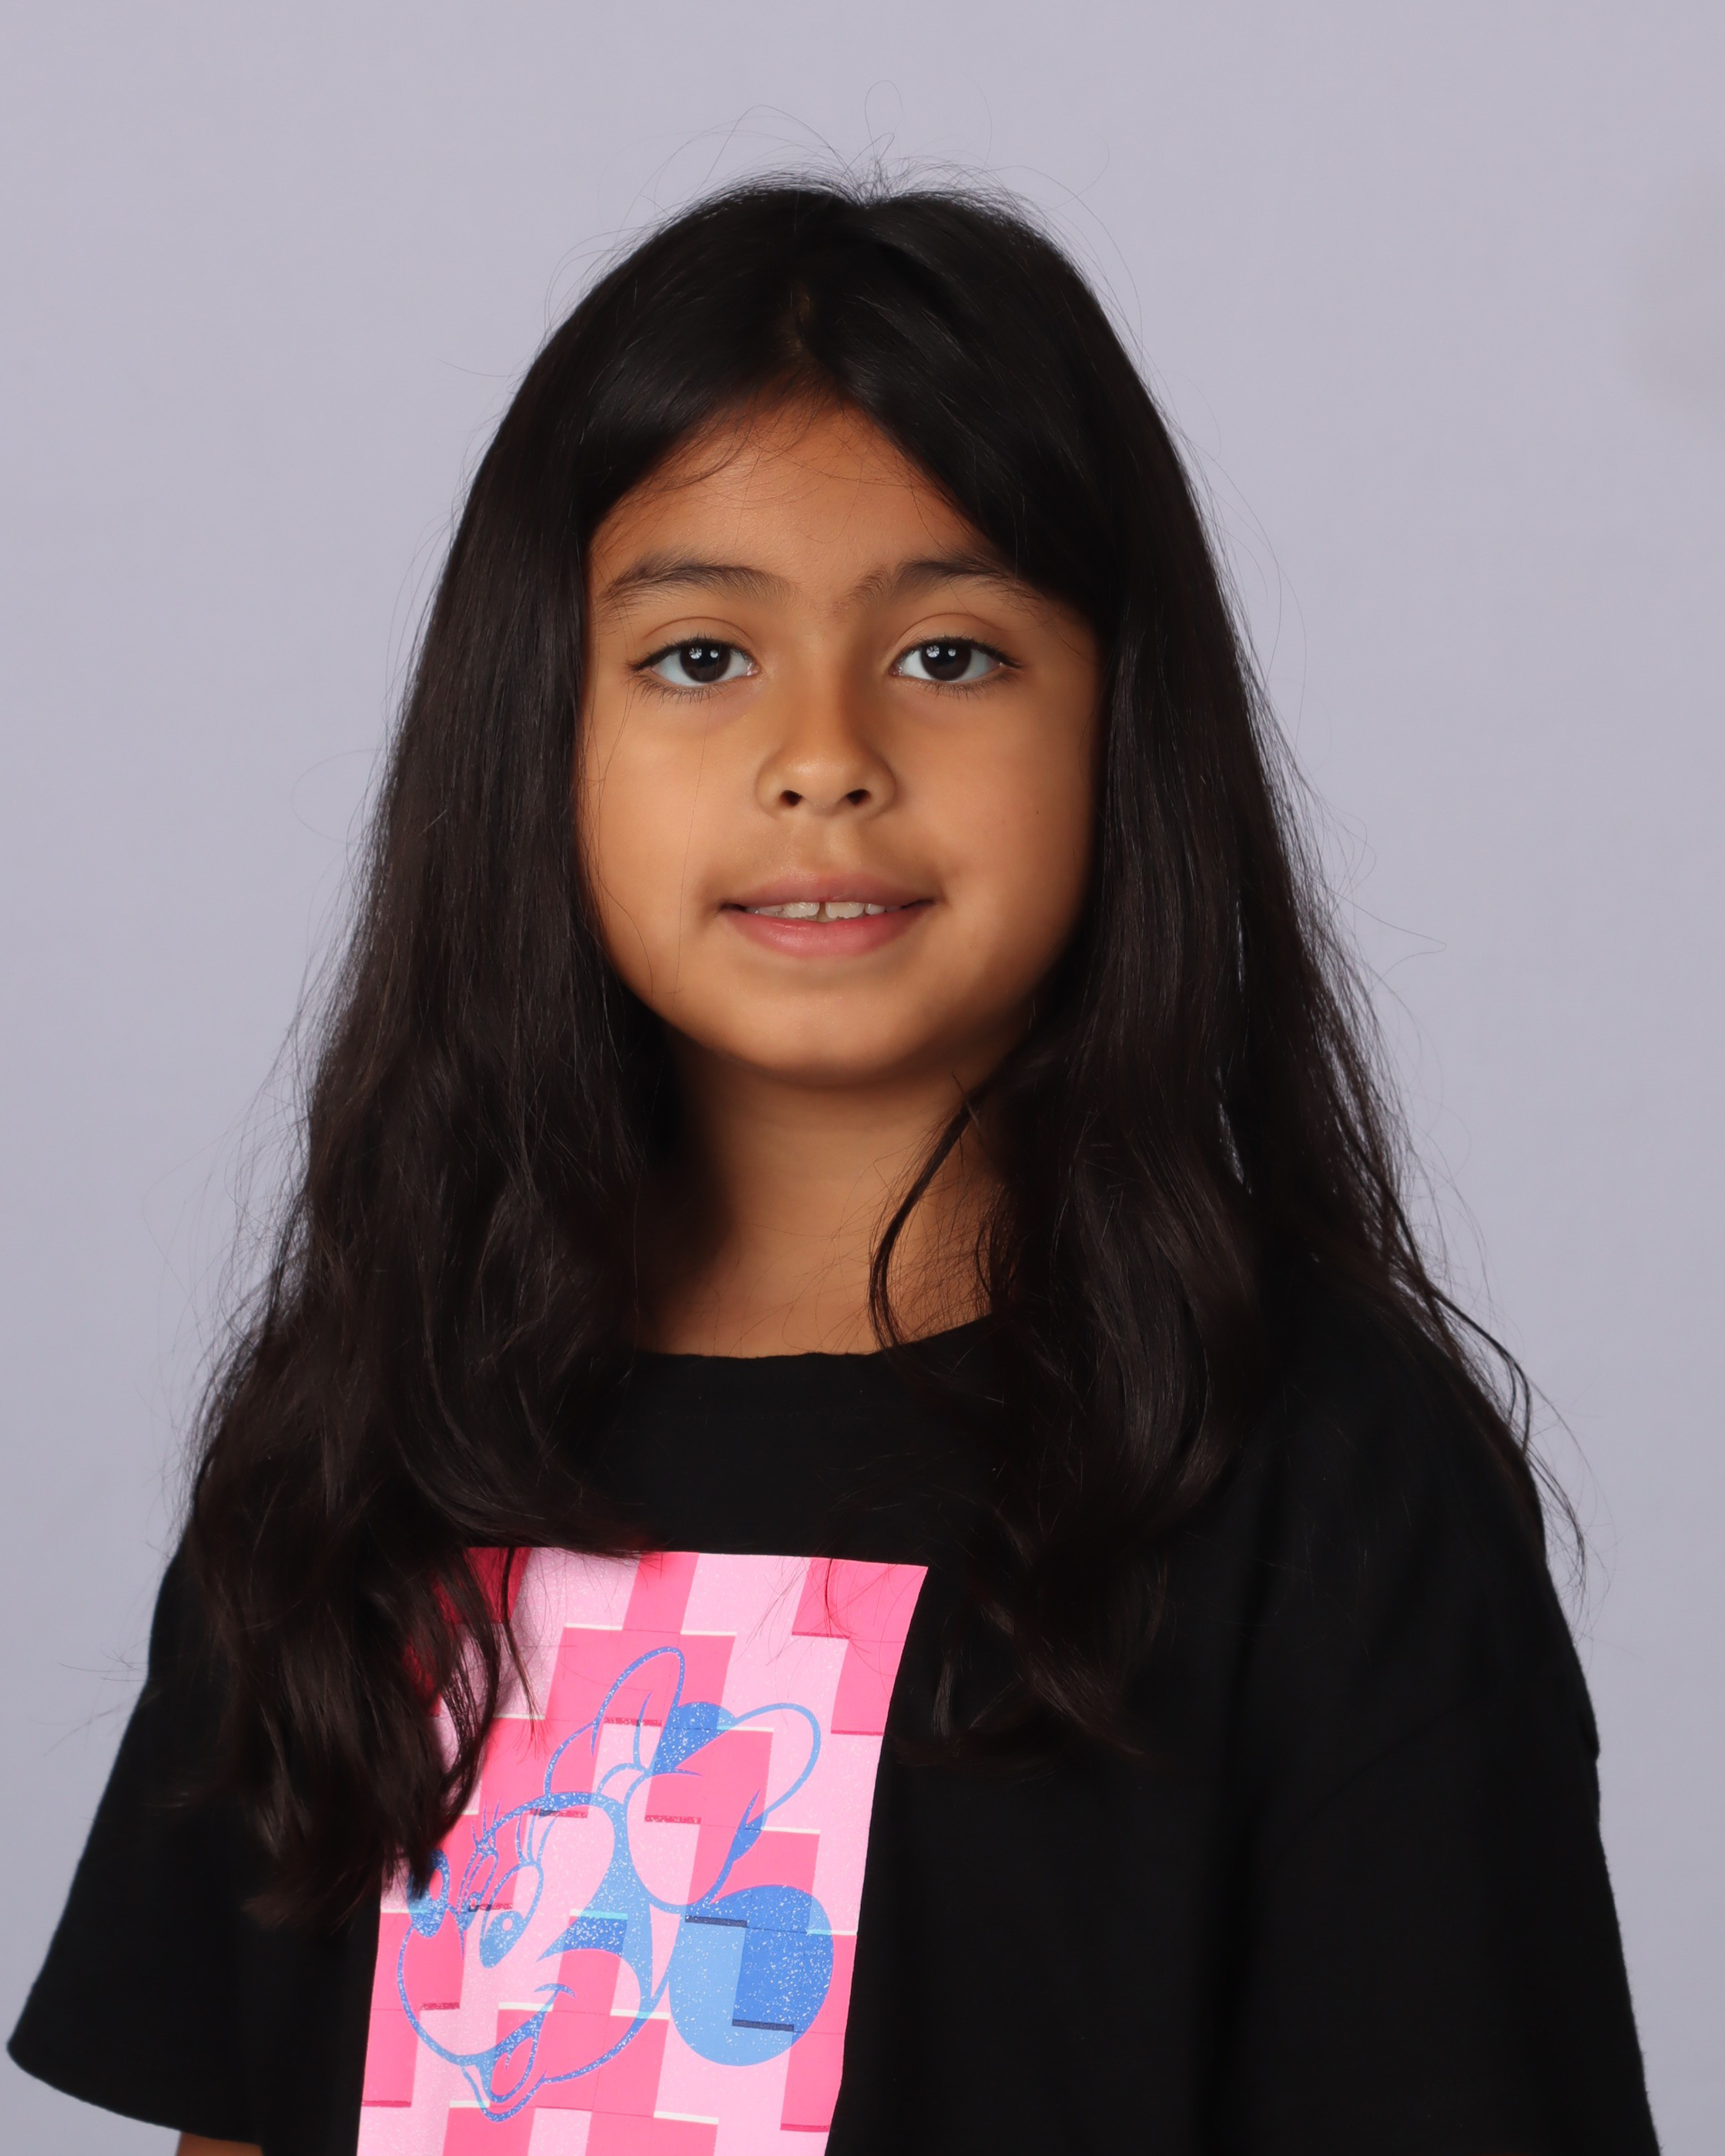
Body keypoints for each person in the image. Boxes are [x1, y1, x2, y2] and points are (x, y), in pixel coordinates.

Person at [9, 178, 1660, 2156]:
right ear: (533, 728)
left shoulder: (1321, 1480)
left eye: (949, 653)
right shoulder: (371, 1425)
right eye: (700, 654)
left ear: (1124, 726)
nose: (823, 754)